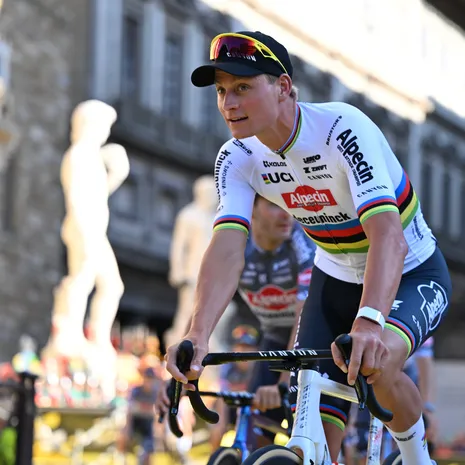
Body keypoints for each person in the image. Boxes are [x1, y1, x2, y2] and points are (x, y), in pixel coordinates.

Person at [165, 30, 452, 465]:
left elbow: (387, 235)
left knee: (377, 364)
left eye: (242, 87)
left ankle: (416, 457)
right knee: (314, 419)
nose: (229, 103)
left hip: (411, 272)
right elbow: (226, 248)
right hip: (333, 278)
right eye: (222, 91)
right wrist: (197, 333)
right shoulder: (236, 157)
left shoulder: (342, 129)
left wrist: (370, 321)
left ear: (283, 87)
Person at [156, 194, 316, 437]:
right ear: (252, 209)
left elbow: (304, 315)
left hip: (310, 335)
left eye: (288, 205)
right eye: (274, 205)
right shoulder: (240, 244)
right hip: (275, 335)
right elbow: (204, 308)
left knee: (313, 432)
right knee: (255, 430)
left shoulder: (301, 241)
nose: (286, 214)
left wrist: (285, 381)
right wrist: (178, 374)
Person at [117, 367, 161, 465]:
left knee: (148, 451)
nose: (149, 381)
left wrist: (158, 429)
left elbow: (157, 413)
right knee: (123, 436)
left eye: (151, 379)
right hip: (135, 422)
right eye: (147, 378)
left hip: (148, 424)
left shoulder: (156, 393)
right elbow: (130, 410)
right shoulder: (136, 391)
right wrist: (127, 428)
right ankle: (121, 459)